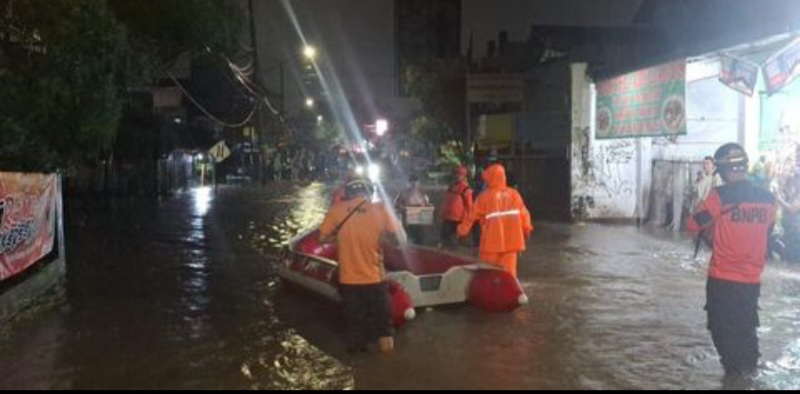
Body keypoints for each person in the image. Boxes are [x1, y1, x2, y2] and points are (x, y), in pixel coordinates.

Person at [687, 143, 776, 380]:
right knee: (747, 328)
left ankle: (734, 377)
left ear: (723, 170)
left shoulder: (720, 196)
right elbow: (767, 231)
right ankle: (748, 374)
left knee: (721, 329)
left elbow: (693, 224)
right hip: (752, 280)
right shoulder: (768, 199)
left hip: (723, 278)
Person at [319, 178, 405, 354]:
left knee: (355, 331)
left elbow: (322, 238)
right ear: (369, 192)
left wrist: (341, 236)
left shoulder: (336, 211)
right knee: (384, 331)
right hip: (375, 279)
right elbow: (399, 239)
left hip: (348, 281)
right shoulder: (380, 209)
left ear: (347, 193)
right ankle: (386, 370)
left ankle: (359, 370)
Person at [457, 163, 533, 278]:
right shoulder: (514, 195)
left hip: (490, 245)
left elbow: (470, 217)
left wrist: (461, 231)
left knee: (488, 275)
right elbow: (525, 215)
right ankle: (510, 295)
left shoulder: (484, 197)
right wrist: (527, 231)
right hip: (512, 245)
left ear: (489, 178)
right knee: (509, 278)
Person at [439, 166, 473, 247]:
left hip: (458, 221)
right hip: (447, 218)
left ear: (464, 176)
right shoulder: (451, 187)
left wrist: (467, 221)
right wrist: (441, 214)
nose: (457, 176)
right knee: (444, 239)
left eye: (460, 174)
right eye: (456, 173)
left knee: (454, 243)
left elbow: (470, 206)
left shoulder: (466, 189)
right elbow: (446, 201)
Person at [394, 174, 431, 244]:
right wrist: (404, 209)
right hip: (408, 221)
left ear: (419, 183)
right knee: (410, 239)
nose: (414, 184)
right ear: (409, 183)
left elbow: (427, 207)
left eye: (416, 182)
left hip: (420, 222)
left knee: (420, 240)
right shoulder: (403, 194)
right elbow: (396, 204)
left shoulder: (422, 194)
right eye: (412, 182)